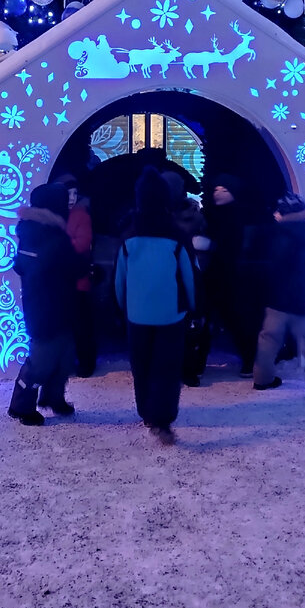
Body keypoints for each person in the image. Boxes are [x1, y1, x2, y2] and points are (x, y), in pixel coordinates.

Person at [114, 168, 195, 445]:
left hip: (136, 313)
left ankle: (146, 412)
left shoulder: (128, 235)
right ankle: (163, 418)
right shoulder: (177, 236)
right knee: (167, 367)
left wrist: (122, 308)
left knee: (142, 364)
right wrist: (194, 307)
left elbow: (119, 280)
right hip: (171, 313)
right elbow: (189, 276)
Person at [8, 183, 85, 426]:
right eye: (65, 200)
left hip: (43, 303)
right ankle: (21, 406)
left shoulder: (30, 231)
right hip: (50, 307)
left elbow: (19, 265)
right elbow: (73, 267)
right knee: (40, 361)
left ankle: (53, 398)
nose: (69, 204)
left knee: (63, 355)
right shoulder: (53, 235)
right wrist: (88, 268)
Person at [253, 194, 305, 397]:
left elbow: (274, 266)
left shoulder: (278, 234)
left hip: (277, 297)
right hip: (299, 298)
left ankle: (262, 379)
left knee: (268, 339)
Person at [203, 173, 262, 377]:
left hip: (233, 277)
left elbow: (234, 247)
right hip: (214, 275)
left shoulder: (239, 218)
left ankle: (249, 360)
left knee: (236, 320)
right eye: (216, 188)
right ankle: (196, 363)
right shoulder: (210, 215)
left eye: (224, 189)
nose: (218, 192)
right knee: (206, 318)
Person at [162, 171, 209, 387]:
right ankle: (189, 369)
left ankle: (184, 368)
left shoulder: (160, 215)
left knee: (181, 321)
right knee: (186, 320)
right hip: (185, 267)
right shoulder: (190, 212)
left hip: (172, 270)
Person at [54, 174, 95, 378]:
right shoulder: (52, 215)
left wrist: (58, 248)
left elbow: (82, 246)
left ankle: (86, 362)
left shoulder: (81, 216)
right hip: (57, 282)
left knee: (81, 325)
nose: (71, 198)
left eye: (75, 194)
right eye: (68, 193)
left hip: (78, 280)